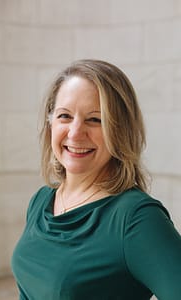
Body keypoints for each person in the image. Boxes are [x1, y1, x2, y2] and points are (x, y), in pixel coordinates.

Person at [12, 59, 181, 300]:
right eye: (65, 116)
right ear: (51, 124)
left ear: (120, 130)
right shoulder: (41, 200)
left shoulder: (136, 218)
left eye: (95, 119)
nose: (75, 132)